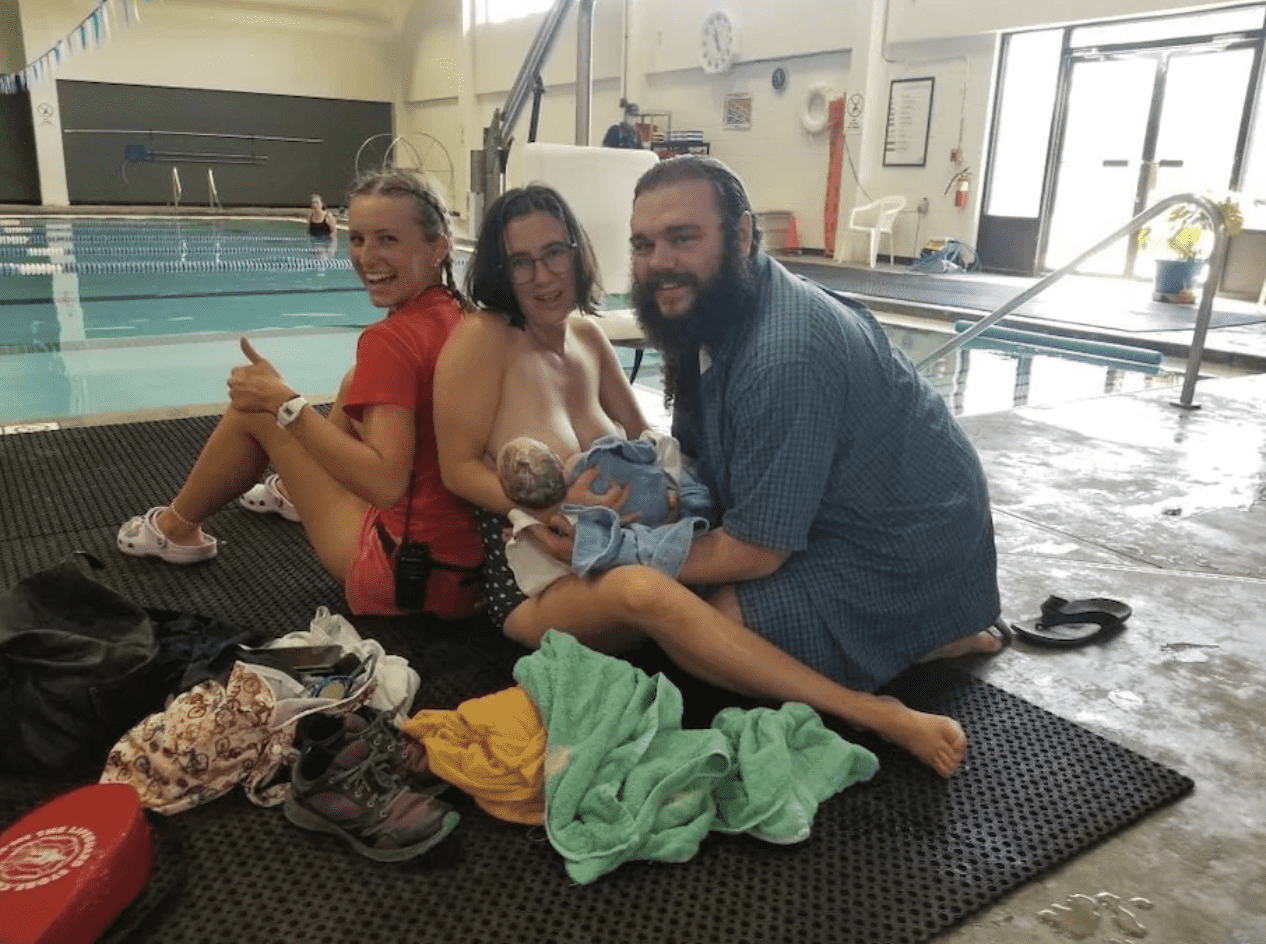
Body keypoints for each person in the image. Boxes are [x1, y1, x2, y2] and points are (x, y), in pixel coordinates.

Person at [433, 180, 998, 777]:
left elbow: (652, 445)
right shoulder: (483, 339)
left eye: (554, 253)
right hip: (538, 576)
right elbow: (457, 467)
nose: (543, 276)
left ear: (577, 252)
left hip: (635, 544)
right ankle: (870, 710)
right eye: (520, 262)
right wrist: (552, 512)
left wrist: (667, 496)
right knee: (650, 591)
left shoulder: (593, 338)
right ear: (498, 269)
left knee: (701, 585)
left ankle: (915, 635)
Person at [117, 170, 483, 620]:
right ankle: (292, 489)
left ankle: (176, 529)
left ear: (438, 248)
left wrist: (284, 404)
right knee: (354, 381)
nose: (367, 257)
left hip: (402, 575)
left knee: (255, 410)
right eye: (358, 239)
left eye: (387, 239)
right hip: (465, 573)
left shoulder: (391, 341)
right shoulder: (462, 316)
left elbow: (385, 485)